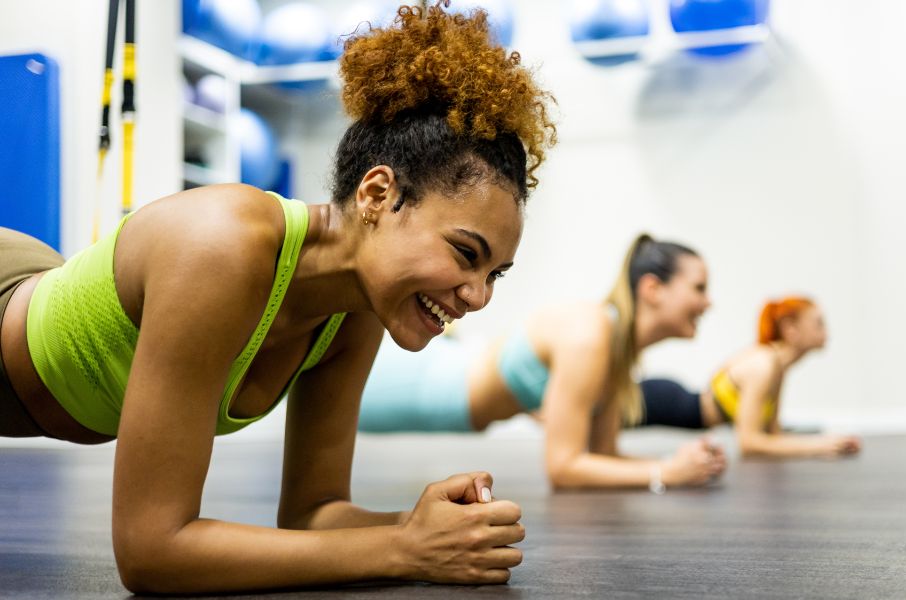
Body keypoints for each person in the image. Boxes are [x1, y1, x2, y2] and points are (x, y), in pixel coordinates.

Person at [0, 4, 556, 593]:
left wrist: (427, 529)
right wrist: (404, 549)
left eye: (497, 274)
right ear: (377, 195)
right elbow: (150, 550)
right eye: (466, 254)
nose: (477, 296)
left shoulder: (359, 307)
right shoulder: (222, 247)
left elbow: (313, 513)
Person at [360, 234, 728, 490]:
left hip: (448, 395)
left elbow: (602, 456)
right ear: (653, 290)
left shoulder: (616, 351)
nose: (709, 303)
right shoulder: (591, 334)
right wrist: (666, 472)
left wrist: (681, 464)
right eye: (699, 288)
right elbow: (564, 468)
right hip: (423, 382)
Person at [640, 296, 863, 458]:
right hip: (660, 400)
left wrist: (825, 443)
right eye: (818, 324)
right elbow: (749, 442)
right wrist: (820, 446)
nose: (826, 333)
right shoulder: (763, 366)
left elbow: (772, 434)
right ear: (790, 328)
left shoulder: (778, 367)